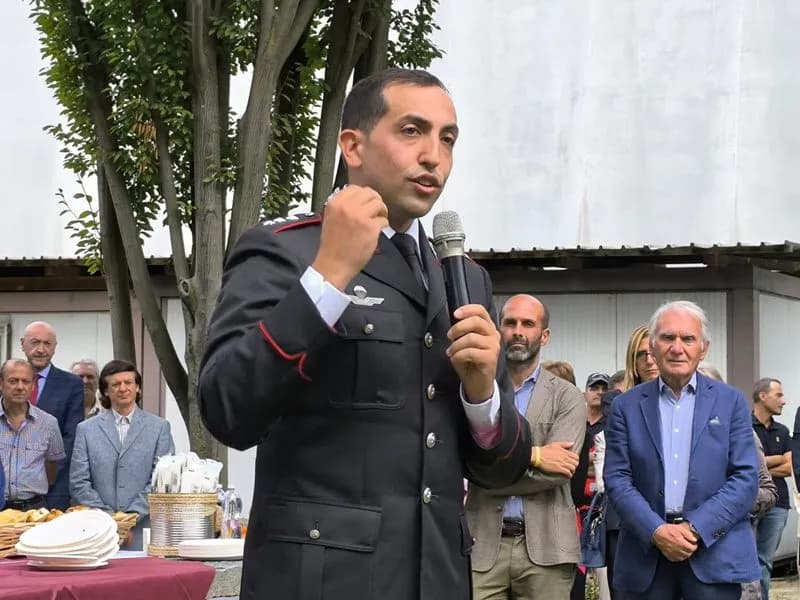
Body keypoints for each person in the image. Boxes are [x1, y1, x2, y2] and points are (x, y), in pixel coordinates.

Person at [198, 69, 532, 600]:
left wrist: (481, 396)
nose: (434, 156)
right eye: (411, 131)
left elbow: (504, 470)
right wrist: (327, 277)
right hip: (322, 583)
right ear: (353, 146)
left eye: (447, 138)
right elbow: (226, 410)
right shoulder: (287, 250)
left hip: (438, 579)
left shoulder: (464, 277)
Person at [604, 300, 759, 599]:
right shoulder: (625, 406)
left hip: (713, 555)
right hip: (645, 558)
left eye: (688, 338)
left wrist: (695, 528)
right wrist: (656, 531)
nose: (677, 348)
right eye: (668, 338)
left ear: (704, 349)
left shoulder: (732, 402)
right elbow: (617, 479)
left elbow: (745, 479)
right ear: (652, 346)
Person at [468, 295, 585, 599]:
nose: (518, 331)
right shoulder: (476, 391)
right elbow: (466, 459)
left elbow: (558, 472)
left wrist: (488, 472)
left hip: (547, 550)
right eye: (510, 323)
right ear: (498, 330)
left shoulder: (568, 397)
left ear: (544, 336)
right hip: (482, 545)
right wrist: (537, 455)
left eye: (528, 324)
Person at [70, 360, 174, 549]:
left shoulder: (159, 428)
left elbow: (161, 481)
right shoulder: (86, 429)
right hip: (97, 531)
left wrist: (130, 518)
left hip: (144, 531)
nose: (123, 388)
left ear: (138, 388)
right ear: (105, 391)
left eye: (128, 382)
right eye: (116, 384)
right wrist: (110, 519)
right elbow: (79, 482)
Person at [699, 364, 777, 600]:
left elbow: (768, 492)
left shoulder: (742, 433)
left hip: (732, 561)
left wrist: (729, 500)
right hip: (684, 564)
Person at [595, 324, 661, 598]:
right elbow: (619, 468)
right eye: (641, 354)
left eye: (653, 352)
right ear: (632, 361)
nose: (649, 360)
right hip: (626, 519)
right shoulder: (618, 405)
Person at [20, 321, 83, 510]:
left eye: (47, 343)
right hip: (7, 490)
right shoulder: (6, 381)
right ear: (22, 344)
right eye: (35, 342)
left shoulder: (71, 385)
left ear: (55, 347)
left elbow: (71, 439)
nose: (41, 349)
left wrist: (41, 478)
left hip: (52, 490)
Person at [0, 359, 65, 511]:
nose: (20, 387)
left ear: (33, 385)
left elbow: (52, 468)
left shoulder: (48, 423)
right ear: (1, 383)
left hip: (34, 509)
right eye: (13, 381)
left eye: (26, 381)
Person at [751, 378, 791, 600]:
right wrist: (777, 459)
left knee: (764, 562)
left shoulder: (782, 431)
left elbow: (789, 467)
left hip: (778, 505)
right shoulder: (743, 425)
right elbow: (741, 464)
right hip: (748, 503)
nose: (784, 401)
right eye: (779, 395)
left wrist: (759, 465)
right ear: (762, 396)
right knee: (746, 560)